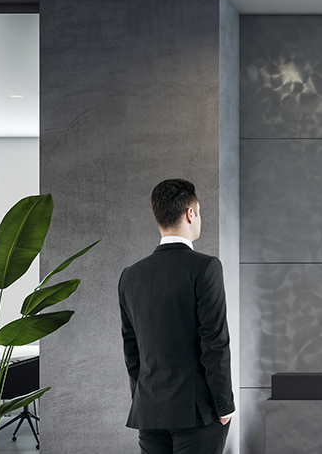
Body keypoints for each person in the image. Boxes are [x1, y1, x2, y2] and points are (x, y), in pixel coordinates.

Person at [119, 179, 234, 454]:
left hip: (149, 411)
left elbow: (131, 350)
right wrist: (224, 405)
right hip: (197, 412)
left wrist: (143, 400)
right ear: (190, 213)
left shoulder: (131, 276)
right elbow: (214, 343)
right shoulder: (205, 267)